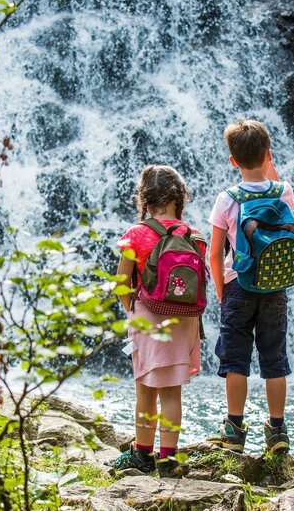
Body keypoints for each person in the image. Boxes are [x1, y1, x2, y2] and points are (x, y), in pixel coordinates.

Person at [205, 120, 294, 454]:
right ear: (268, 154)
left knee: (235, 361)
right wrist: (271, 166)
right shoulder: (283, 190)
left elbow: (214, 253)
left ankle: (233, 428)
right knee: (275, 359)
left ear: (233, 160)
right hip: (275, 287)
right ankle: (277, 431)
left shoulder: (226, 199)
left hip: (237, 287)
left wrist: (220, 289)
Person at [110, 165, 205, 478]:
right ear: (179, 198)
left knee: (145, 390)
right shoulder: (194, 236)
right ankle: (168, 459)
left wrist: (131, 311)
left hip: (149, 320)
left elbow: (122, 281)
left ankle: (142, 453)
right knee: (172, 393)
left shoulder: (136, 234)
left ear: (144, 200)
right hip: (185, 322)